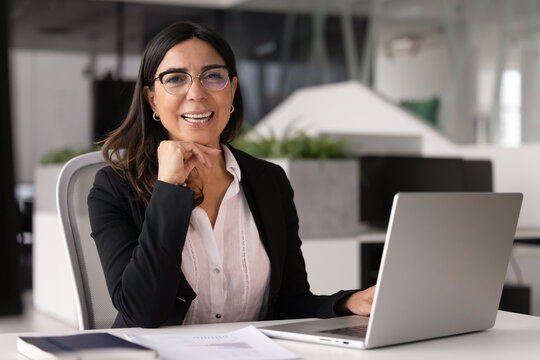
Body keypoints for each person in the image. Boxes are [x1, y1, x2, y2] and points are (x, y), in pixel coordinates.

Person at [88, 21, 375, 328]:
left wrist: (347, 302)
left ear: (233, 90)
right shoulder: (113, 188)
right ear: (152, 99)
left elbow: (291, 302)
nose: (196, 93)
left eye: (213, 76)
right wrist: (168, 188)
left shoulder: (269, 181)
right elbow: (142, 313)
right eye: (175, 79)